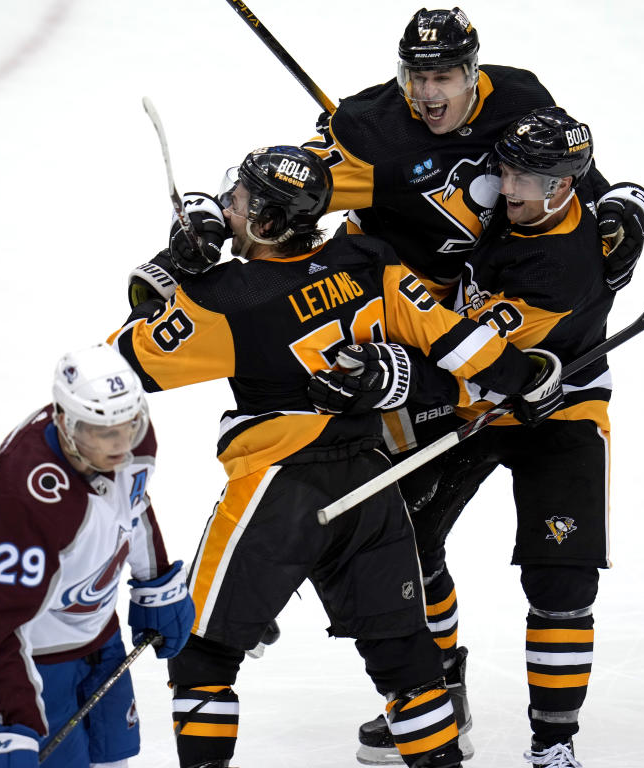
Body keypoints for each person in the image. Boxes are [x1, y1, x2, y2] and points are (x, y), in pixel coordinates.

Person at [113, 144, 564, 768]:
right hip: (373, 485)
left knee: (203, 656)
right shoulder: (367, 260)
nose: (227, 209)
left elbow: (116, 369)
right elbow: (458, 341)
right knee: (411, 668)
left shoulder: (226, 298)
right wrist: (523, 375)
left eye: (238, 202)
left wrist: (173, 268)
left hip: (280, 492)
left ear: (267, 224)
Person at [309, 107, 644, 767]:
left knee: (562, 581)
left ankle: (554, 744)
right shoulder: (500, 195)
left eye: (530, 176)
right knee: (407, 541)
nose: (511, 186)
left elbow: (472, 364)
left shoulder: (566, 267)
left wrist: (392, 374)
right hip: (480, 401)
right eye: (508, 168)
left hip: (557, 406)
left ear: (566, 185)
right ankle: (442, 698)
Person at [0, 343, 195, 768]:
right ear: (65, 421)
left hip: (93, 631)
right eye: (102, 431)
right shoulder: (29, 496)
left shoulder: (132, 435)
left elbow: (134, 504)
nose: (121, 444)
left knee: (114, 761)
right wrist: (10, 721)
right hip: (17, 655)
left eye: (128, 425)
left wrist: (155, 580)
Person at [300, 6, 644, 301]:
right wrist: (339, 142)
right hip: (376, 277)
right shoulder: (373, 126)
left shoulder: (518, 97)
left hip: (472, 285)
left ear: (471, 73)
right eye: (417, 77)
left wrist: (611, 195)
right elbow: (297, 181)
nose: (427, 93)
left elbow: (558, 162)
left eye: (442, 77)